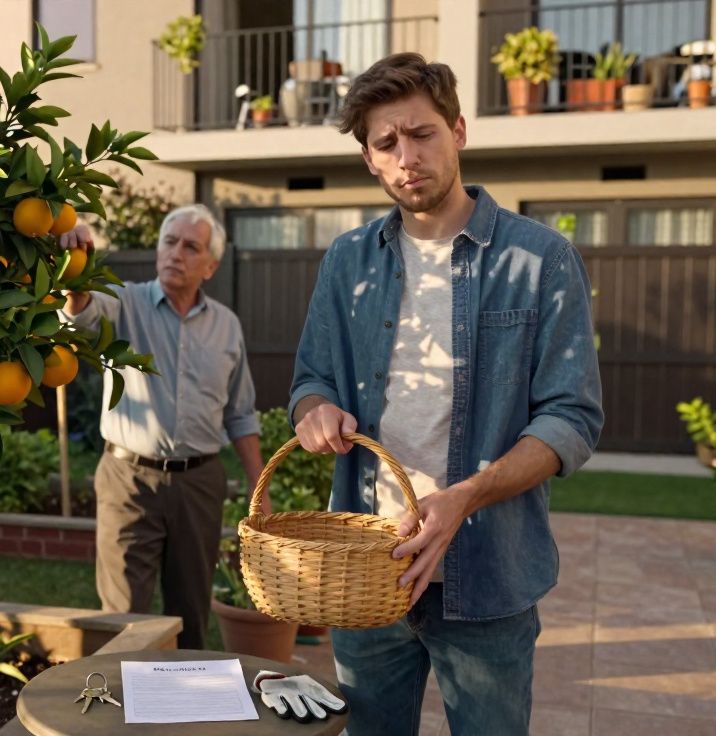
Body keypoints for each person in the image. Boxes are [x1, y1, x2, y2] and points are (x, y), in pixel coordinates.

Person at [290, 53, 603, 735]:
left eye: (422, 133)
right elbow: (311, 380)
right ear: (370, 160)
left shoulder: (539, 260)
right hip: (368, 573)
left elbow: (572, 416)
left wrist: (465, 496)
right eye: (386, 143)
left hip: (488, 576)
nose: (408, 156)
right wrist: (316, 413)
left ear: (458, 129)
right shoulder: (347, 263)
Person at [58, 205, 264, 650]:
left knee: (190, 611)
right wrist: (76, 268)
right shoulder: (124, 301)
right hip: (129, 481)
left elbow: (241, 413)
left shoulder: (227, 326)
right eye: (170, 242)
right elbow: (82, 318)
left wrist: (257, 485)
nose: (177, 253)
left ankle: (182, 710)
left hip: (200, 484)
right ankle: (121, 712)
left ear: (209, 266)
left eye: (191, 247)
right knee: (122, 615)